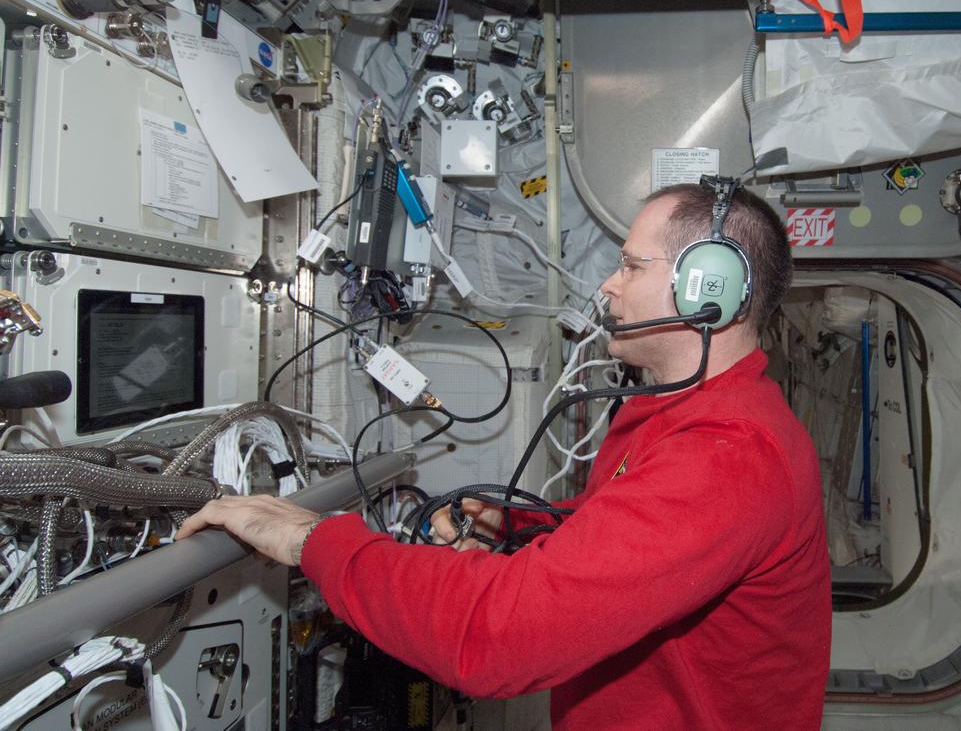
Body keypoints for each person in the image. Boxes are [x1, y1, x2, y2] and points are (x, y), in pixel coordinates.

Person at [177, 181, 832, 730]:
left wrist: (312, 542)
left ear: (705, 289)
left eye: (631, 267)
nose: (608, 286)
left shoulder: (729, 457)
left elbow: (496, 639)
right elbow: (629, 531)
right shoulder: (689, 418)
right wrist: (521, 526)